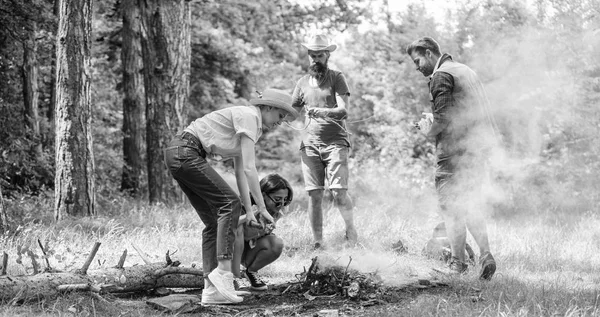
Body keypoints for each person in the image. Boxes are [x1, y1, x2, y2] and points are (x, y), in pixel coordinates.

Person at [164, 89, 298, 305]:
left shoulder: (252, 127)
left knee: (213, 223)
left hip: (180, 154)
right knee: (229, 202)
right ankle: (224, 274)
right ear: (269, 107)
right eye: (281, 116)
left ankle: (212, 290)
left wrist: (250, 211)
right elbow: (249, 168)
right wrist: (262, 208)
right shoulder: (250, 116)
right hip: (186, 151)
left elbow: (240, 172)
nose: (281, 122)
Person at [406, 37, 499, 280]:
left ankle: (458, 265)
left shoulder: (441, 75)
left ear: (428, 53)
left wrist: (428, 129)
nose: (417, 67)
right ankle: (486, 255)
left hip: (453, 152)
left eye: (418, 61)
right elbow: (462, 109)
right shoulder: (465, 70)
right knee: (471, 202)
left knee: (452, 207)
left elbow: (444, 118)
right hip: (476, 149)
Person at [291, 33, 357, 249]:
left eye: (319, 55)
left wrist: (322, 112)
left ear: (327, 55)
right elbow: (291, 112)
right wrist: (272, 108)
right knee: (315, 194)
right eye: (312, 55)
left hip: (335, 143)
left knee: (339, 192)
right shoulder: (301, 83)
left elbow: (343, 111)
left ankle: (350, 230)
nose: (315, 59)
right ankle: (318, 242)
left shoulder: (337, 77)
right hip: (309, 145)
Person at [232, 173, 293, 291]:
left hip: (246, 249)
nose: (281, 204)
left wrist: (263, 232)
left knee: (276, 243)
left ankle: (251, 272)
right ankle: (232, 275)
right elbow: (226, 225)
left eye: (285, 200)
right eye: (277, 199)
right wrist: (250, 214)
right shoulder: (244, 204)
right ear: (263, 195)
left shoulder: (276, 209)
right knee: (237, 228)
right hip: (229, 250)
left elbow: (254, 235)